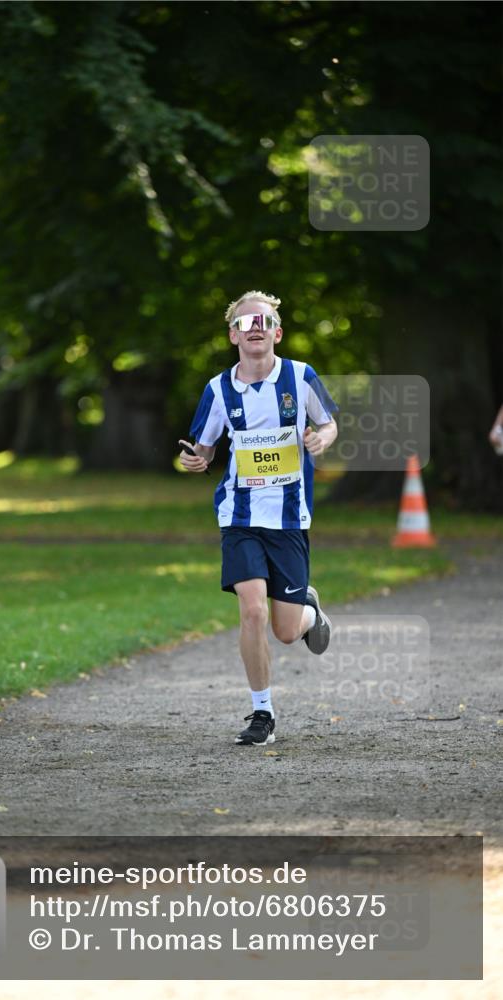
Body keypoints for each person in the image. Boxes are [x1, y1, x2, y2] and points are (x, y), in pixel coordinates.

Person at [179, 290, 338, 746]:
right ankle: (262, 714)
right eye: (245, 322)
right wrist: (196, 460)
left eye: (262, 321)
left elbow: (328, 423)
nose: (254, 327)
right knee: (252, 611)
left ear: (276, 332)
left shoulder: (301, 376)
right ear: (233, 335)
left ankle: (309, 612)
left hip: (289, 518)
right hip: (240, 517)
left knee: (286, 631)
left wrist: (323, 438)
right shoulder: (218, 389)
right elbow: (204, 448)